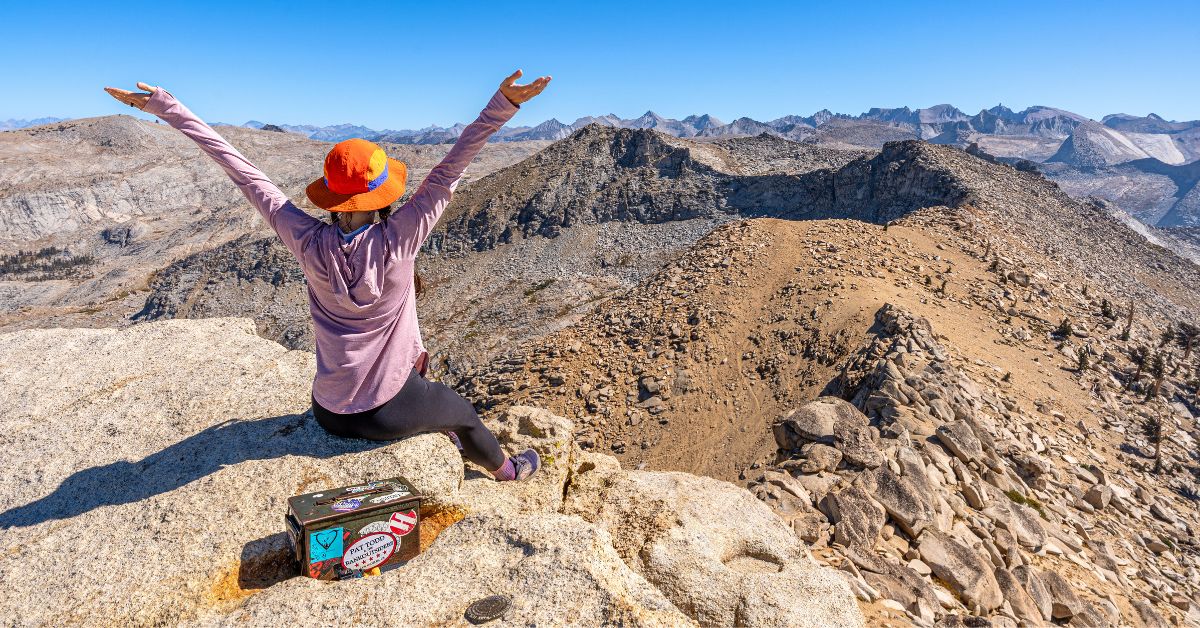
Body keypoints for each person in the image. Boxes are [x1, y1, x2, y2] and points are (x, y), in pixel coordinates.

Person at [104, 70, 552, 482]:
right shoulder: (400, 238)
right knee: (465, 416)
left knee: (430, 400)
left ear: (331, 195)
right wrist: (502, 104)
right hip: (385, 413)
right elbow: (450, 170)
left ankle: (435, 422)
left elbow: (244, 173)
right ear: (382, 195)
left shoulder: (306, 240)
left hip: (328, 411)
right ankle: (508, 472)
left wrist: (168, 107)